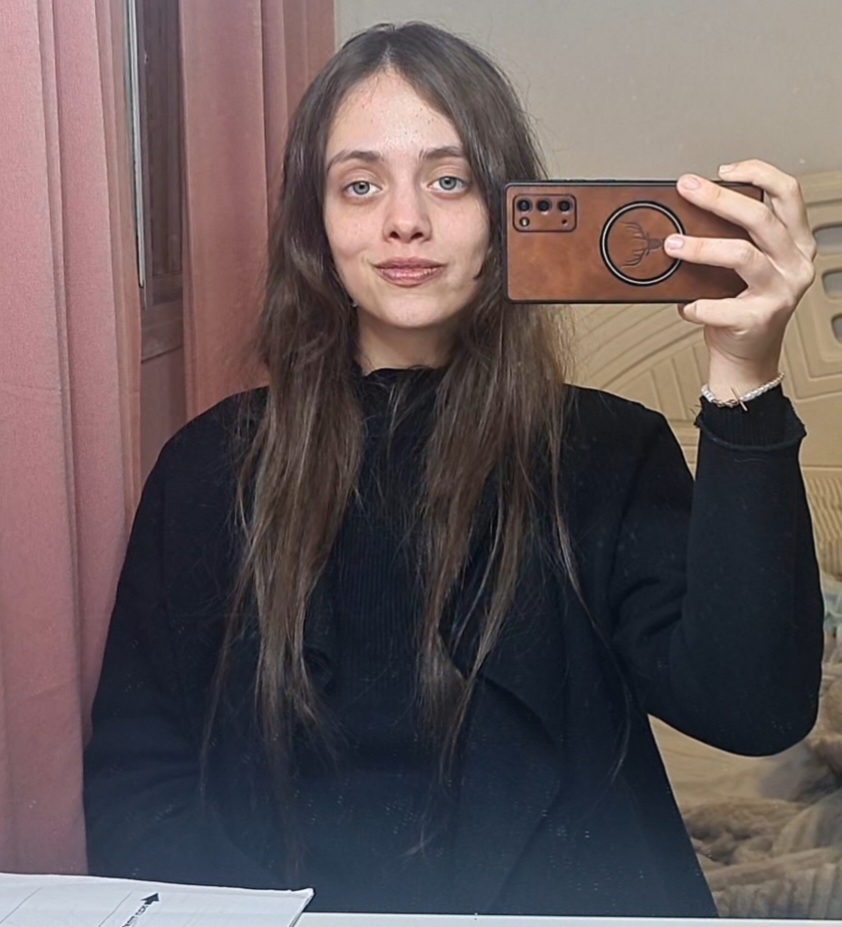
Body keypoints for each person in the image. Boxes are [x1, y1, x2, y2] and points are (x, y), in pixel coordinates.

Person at [83, 21, 824, 917]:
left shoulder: (605, 449)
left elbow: (755, 710)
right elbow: (137, 783)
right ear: (316, 225)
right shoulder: (208, 468)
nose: (406, 220)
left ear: (506, 212)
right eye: (360, 185)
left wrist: (746, 379)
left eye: (449, 179)